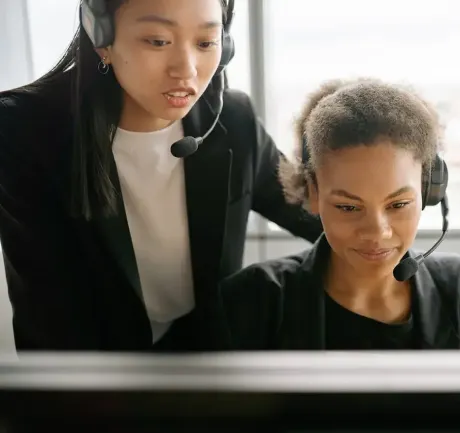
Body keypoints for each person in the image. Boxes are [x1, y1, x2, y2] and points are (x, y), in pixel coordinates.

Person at [0, 0, 322, 352]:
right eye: (157, 41)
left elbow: (321, 217)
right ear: (101, 36)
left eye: (205, 43)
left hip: (204, 361)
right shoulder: (23, 132)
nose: (186, 70)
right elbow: (50, 306)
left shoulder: (232, 120)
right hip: (86, 375)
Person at [205, 78, 460, 351]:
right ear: (313, 193)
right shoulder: (249, 304)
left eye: (398, 205)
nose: (377, 232)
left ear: (429, 190)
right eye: (348, 207)